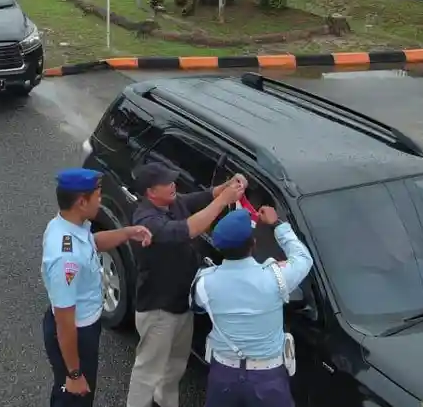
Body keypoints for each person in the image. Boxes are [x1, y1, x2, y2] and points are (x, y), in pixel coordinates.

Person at [125, 164, 246, 407]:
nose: (174, 185)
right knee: (147, 372)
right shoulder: (147, 221)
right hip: (159, 310)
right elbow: (189, 229)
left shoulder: (173, 202)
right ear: (150, 192)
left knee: (176, 365)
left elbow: (204, 196)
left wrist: (228, 185)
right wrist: (224, 200)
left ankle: (165, 401)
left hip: (182, 303)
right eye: (167, 183)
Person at [42, 168, 153, 407]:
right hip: (76, 333)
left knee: (78, 394)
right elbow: (64, 323)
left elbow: (92, 243)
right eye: (98, 195)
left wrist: (126, 233)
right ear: (82, 202)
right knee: (74, 396)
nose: (101, 200)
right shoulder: (65, 259)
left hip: (84, 328)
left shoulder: (70, 225)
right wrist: (73, 374)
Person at [192, 208, 314, 407]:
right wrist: (277, 225)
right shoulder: (276, 277)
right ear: (253, 244)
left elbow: (197, 306)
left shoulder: (204, 282)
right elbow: (303, 259)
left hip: (223, 374)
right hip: (268, 377)